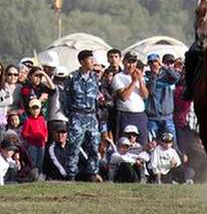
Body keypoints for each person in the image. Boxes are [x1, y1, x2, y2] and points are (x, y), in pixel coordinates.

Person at [62, 50, 102, 180]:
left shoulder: (95, 78)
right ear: (82, 62)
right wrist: (71, 115)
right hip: (77, 115)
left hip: (91, 116)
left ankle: (92, 173)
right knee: (74, 146)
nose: (92, 62)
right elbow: (65, 99)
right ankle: (71, 174)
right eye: (90, 60)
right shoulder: (72, 77)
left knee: (94, 146)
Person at [111, 53, 150, 141]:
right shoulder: (118, 77)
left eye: (133, 62)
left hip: (140, 115)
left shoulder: (139, 76)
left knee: (142, 142)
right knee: (124, 142)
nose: (131, 65)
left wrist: (140, 80)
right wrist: (133, 82)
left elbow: (145, 95)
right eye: (129, 62)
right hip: (125, 115)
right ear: (124, 62)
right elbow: (124, 97)